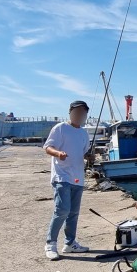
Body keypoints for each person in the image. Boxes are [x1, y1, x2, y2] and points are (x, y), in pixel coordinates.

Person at [43, 100, 94, 260]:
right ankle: (50, 244)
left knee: (73, 213)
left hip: (78, 177)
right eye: (77, 112)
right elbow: (47, 147)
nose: (79, 116)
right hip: (61, 176)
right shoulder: (60, 128)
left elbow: (84, 153)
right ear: (70, 113)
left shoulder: (84, 133)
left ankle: (70, 244)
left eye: (83, 113)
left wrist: (89, 156)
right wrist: (58, 154)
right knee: (62, 210)